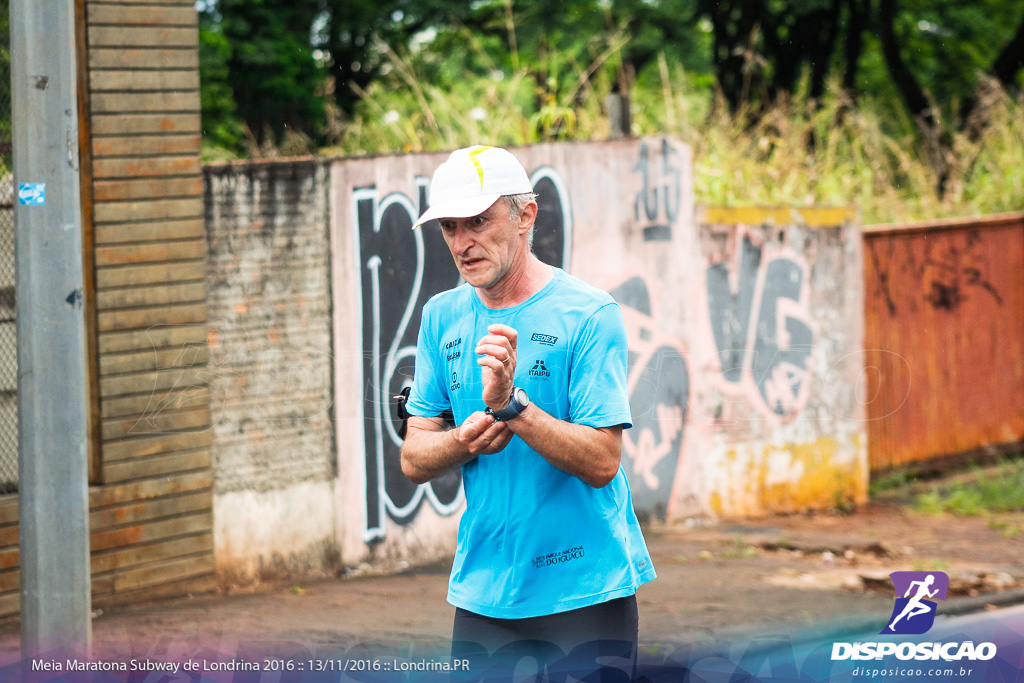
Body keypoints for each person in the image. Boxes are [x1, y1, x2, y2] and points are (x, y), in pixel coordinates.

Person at [400, 145, 656, 679]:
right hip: (484, 594)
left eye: (478, 221)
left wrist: (512, 408)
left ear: (525, 215)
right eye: (449, 226)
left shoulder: (589, 314)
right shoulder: (440, 316)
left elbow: (603, 460)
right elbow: (413, 456)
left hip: (584, 592)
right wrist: (461, 441)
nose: (462, 243)